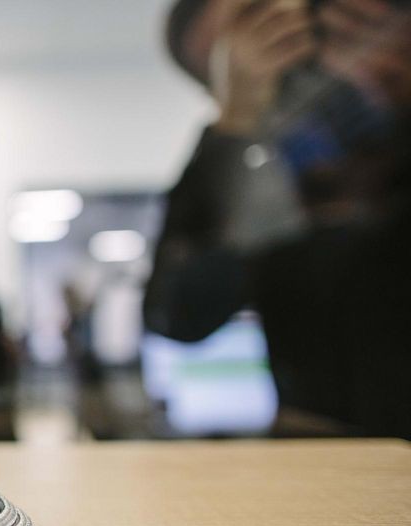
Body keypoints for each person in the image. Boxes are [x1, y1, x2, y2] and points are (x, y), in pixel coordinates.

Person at [145, 0, 411, 437]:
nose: (271, 55)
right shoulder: (263, 182)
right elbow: (178, 314)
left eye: (268, 19)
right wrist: (234, 126)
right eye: (232, 59)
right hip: (334, 450)